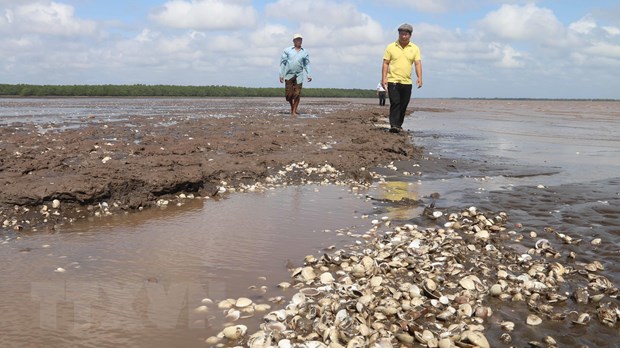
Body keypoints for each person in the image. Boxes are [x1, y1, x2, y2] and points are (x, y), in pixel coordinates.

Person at [381, 23, 423, 133]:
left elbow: (417, 63)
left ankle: (398, 125)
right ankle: (394, 125)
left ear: (410, 35)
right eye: (401, 34)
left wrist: (419, 77)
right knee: (395, 103)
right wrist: (384, 78)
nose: (403, 36)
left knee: (404, 105)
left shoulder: (415, 48)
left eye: (406, 34)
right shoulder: (391, 47)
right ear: (399, 34)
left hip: (407, 82)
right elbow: (386, 63)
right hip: (393, 80)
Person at [279, 33, 312, 116]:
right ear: (293, 41)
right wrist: (281, 74)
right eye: (297, 39)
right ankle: (292, 108)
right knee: (288, 95)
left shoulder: (304, 52)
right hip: (288, 74)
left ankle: (294, 111)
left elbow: (307, 64)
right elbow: (283, 63)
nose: (298, 41)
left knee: (297, 93)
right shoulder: (287, 50)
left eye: (300, 39)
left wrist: (309, 74)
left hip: (299, 75)